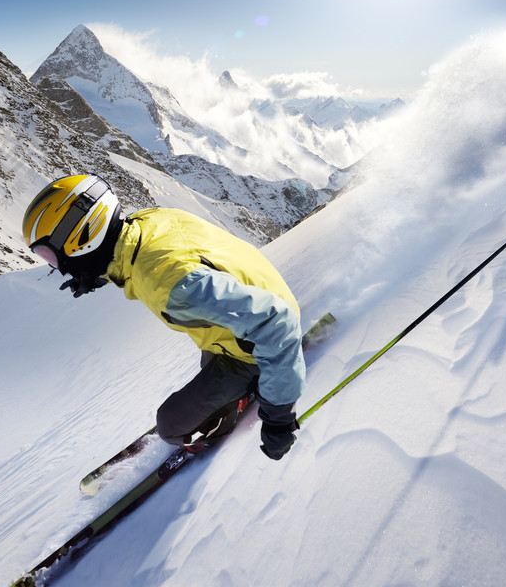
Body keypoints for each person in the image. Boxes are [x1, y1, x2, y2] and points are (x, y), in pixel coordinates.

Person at [22, 174, 304, 460]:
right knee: (209, 364)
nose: (59, 268)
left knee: (170, 427)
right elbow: (137, 256)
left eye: (52, 256)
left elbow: (277, 324)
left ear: (81, 237)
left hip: (261, 338)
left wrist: (279, 420)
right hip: (262, 296)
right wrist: (96, 276)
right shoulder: (145, 222)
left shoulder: (171, 286)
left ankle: (235, 409)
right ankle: (253, 380)